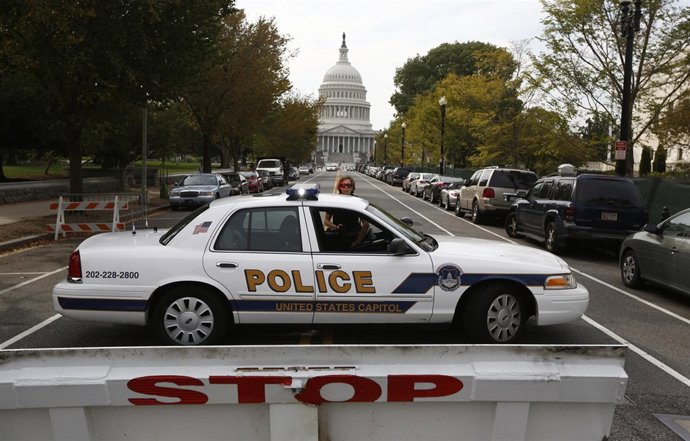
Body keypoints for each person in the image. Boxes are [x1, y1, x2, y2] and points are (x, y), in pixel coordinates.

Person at [324, 176, 370, 249]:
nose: (346, 187)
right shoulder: (333, 201)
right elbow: (326, 221)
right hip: (338, 237)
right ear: (340, 187)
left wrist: (357, 242)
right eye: (343, 185)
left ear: (353, 187)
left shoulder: (357, 201)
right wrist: (336, 227)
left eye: (349, 185)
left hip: (353, 236)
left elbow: (366, 224)